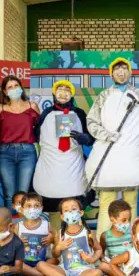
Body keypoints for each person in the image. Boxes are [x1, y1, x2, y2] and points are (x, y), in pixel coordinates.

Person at [86, 59, 139, 237]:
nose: (121, 72)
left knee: (131, 204)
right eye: (117, 69)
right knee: (106, 206)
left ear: (130, 72)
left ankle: (132, 244)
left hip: (131, 160)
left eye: (124, 69)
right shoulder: (104, 96)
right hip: (107, 159)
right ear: (111, 74)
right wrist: (105, 134)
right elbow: (91, 121)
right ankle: (103, 246)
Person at [33, 80, 94, 215]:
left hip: (73, 167)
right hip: (50, 167)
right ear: (54, 93)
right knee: (53, 209)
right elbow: (36, 136)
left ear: (72, 94)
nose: (63, 93)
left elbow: (91, 138)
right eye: (60, 89)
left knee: (74, 207)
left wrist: (85, 138)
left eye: (67, 90)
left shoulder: (80, 113)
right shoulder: (46, 114)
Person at [36, 197, 103, 276]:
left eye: (74, 209)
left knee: (98, 273)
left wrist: (92, 259)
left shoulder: (87, 233)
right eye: (66, 210)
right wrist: (59, 247)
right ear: (62, 216)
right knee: (40, 264)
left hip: (84, 270)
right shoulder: (59, 234)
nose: (70, 212)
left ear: (81, 213)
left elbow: (99, 250)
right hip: (65, 270)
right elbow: (55, 255)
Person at [0, 75, 40, 209]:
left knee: (24, 194)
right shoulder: (0, 108)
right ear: (5, 92)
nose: (14, 89)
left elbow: (42, 128)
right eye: (10, 87)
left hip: (27, 152)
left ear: (21, 87)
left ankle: (23, 226)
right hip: (5, 152)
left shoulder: (32, 106)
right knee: (9, 195)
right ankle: (9, 227)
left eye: (16, 86)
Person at [10, 192, 55, 276]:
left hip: (42, 261)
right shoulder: (18, 226)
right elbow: (11, 245)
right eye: (29, 206)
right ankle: (42, 275)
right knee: (17, 264)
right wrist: (17, 242)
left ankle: (29, 272)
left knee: (54, 261)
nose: (32, 209)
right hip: (24, 262)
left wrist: (52, 239)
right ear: (22, 209)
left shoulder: (47, 225)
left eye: (36, 206)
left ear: (41, 208)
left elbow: (56, 241)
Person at [99, 200, 133, 276]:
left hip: (130, 267)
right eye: (124, 220)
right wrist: (104, 259)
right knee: (103, 266)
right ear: (112, 219)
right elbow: (101, 254)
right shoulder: (105, 236)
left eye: (129, 219)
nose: (127, 223)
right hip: (115, 268)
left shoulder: (132, 233)